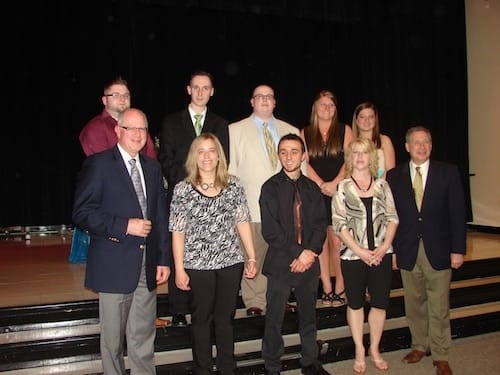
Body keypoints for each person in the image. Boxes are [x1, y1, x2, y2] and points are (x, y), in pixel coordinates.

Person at [72, 108, 171, 375]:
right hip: (113, 265)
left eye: (143, 129)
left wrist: (163, 258)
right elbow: (81, 213)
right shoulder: (99, 164)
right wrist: (124, 225)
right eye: (131, 128)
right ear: (118, 130)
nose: (138, 134)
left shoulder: (152, 167)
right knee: (113, 341)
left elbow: (160, 217)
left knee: (143, 337)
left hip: (146, 264)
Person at [169, 133, 257, 374]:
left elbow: (242, 221)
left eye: (211, 151)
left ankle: (227, 368)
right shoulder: (182, 189)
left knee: (225, 318)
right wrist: (179, 268)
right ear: (194, 157)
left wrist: (251, 256)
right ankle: (203, 369)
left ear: (219, 155)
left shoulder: (234, 184)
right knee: (201, 319)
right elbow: (177, 231)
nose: (207, 156)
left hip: (230, 262)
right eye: (201, 151)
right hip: (197, 265)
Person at [387, 126, 467, 375]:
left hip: (439, 248)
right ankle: (420, 345)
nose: (421, 146)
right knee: (414, 303)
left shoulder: (448, 172)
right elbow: (391, 217)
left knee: (439, 304)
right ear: (407, 146)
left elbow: (457, 213)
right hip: (407, 249)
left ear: (431, 145)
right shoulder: (394, 176)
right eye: (416, 142)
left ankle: (441, 354)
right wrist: (393, 251)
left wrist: (458, 249)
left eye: (426, 142)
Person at [158, 70, 229, 327]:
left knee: (205, 252)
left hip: (212, 199)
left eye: (205, 88)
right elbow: (165, 159)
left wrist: (208, 186)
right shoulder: (171, 122)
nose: (200, 92)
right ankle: (177, 309)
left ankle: (203, 306)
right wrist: (193, 182)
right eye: (196, 87)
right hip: (181, 195)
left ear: (212, 91)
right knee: (179, 249)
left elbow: (224, 159)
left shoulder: (220, 124)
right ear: (188, 90)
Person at [228, 84, 303, 317]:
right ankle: (255, 301)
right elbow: (231, 171)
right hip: (251, 206)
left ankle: (278, 298)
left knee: (282, 255)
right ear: (252, 101)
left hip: (286, 208)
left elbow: (303, 169)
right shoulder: (235, 130)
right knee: (255, 255)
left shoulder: (290, 129)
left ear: (275, 102)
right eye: (259, 96)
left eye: (269, 97)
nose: (264, 100)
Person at [259, 134, 329, 375]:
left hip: (308, 264)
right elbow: (271, 231)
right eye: (284, 151)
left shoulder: (312, 188)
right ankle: (272, 365)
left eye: (294, 151)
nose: (289, 156)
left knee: (308, 316)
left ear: (303, 155)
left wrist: (309, 253)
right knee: (274, 319)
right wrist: (299, 253)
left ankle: (309, 360)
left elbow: (321, 224)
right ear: (279, 155)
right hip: (281, 263)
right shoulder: (269, 188)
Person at [332, 138, 399, 373]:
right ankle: (360, 349)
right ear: (350, 158)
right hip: (353, 256)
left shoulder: (383, 186)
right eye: (356, 153)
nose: (360, 157)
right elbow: (339, 225)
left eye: (364, 152)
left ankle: (375, 348)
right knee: (356, 304)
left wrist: (383, 248)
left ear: (372, 157)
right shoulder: (342, 187)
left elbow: (393, 218)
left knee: (380, 304)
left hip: (382, 255)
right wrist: (361, 252)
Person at [300, 90, 352, 307]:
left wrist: (334, 184)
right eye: (323, 104)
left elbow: (350, 159)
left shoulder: (344, 129)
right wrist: (321, 185)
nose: (327, 108)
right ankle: (327, 288)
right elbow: (304, 163)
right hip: (315, 193)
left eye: (331, 105)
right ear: (315, 108)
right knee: (319, 242)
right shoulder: (305, 132)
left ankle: (340, 287)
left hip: (339, 192)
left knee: (338, 241)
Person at [79, 76, 157, 158]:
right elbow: (102, 165)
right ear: (105, 100)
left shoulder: (139, 125)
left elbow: (152, 160)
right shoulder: (95, 128)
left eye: (126, 95)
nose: (122, 99)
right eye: (116, 95)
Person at [351, 102, 395, 179]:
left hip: (380, 187)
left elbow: (390, 171)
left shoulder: (385, 140)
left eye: (371, 117)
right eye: (362, 117)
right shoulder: (350, 142)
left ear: (375, 120)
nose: (367, 120)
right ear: (356, 120)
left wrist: (375, 187)